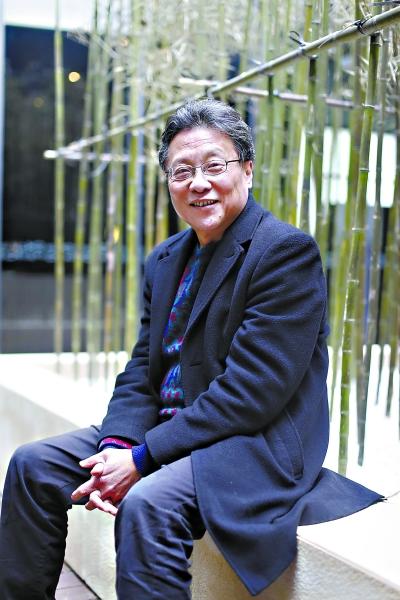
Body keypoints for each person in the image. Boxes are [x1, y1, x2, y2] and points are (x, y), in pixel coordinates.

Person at [0, 99, 381, 599]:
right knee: (33, 464)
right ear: (169, 182)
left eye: (214, 166)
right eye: (182, 171)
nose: (198, 183)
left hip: (252, 441)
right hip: (171, 429)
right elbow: (144, 368)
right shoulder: (165, 258)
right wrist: (117, 446)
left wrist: (142, 458)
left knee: (149, 504)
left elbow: (252, 393)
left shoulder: (284, 253)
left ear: (247, 170)